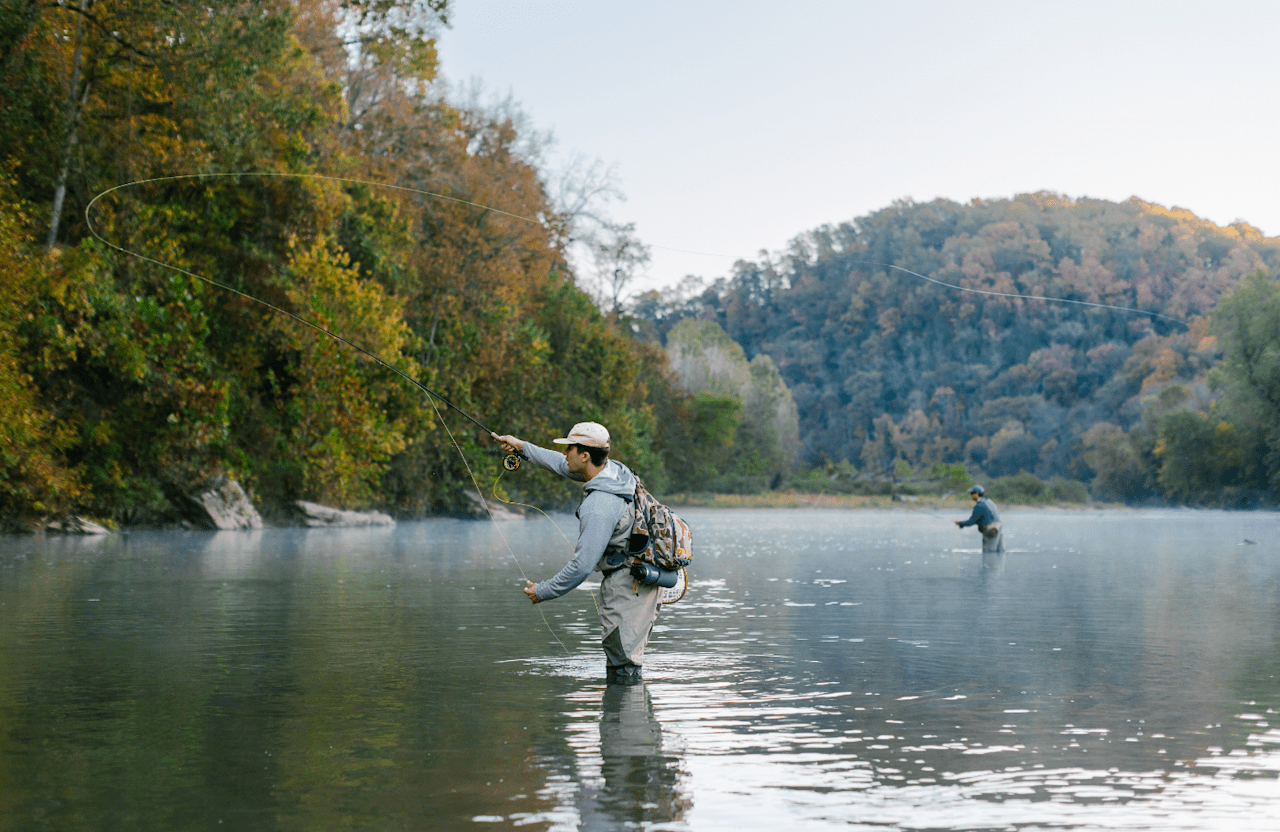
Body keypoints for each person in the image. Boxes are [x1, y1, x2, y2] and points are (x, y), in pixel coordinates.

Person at [491, 422, 660, 685]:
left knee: (623, 664)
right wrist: (521, 447)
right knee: (625, 660)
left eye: (570, 448)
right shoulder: (614, 471)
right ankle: (624, 717)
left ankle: (622, 719)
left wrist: (542, 591)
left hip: (628, 585)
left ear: (584, 456)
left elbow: (582, 566)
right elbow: (560, 463)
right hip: (640, 577)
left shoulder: (600, 504)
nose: (566, 452)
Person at [955, 484, 1004, 553]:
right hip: (998, 529)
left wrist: (960, 523)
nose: (970, 495)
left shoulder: (979, 506)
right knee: (1000, 553)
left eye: (972, 493)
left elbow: (971, 521)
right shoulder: (988, 501)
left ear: (977, 494)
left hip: (990, 532)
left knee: (988, 553)